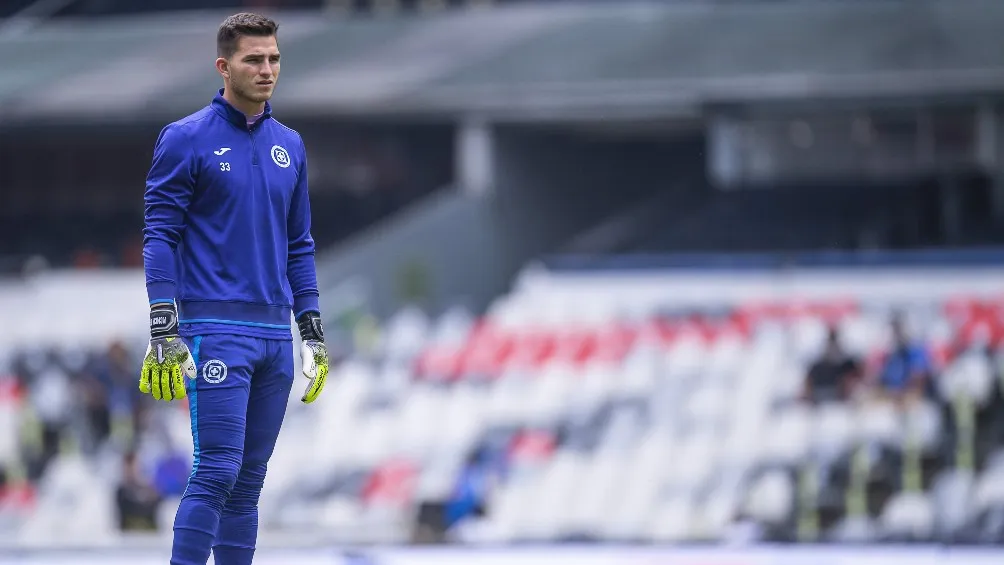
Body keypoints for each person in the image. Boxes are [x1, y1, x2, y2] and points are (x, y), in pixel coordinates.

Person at [139, 13, 330, 565]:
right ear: (224, 66)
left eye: (273, 58)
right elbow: (160, 235)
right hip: (215, 332)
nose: (267, 69)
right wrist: (163, 322)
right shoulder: (184, 139)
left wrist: (311, 331)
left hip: (275, 337)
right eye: (254, 59)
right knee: (218, 470)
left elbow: (300, 244)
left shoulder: (290, 145)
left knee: (248, 484)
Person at [802, 326, 861, 404]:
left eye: (834, 343)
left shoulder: (847, 365)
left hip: (841, 402)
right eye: (830, 343)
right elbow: (808, 387)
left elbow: (859, 378)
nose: (832, 347)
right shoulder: (816, 367)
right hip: (819, 401)